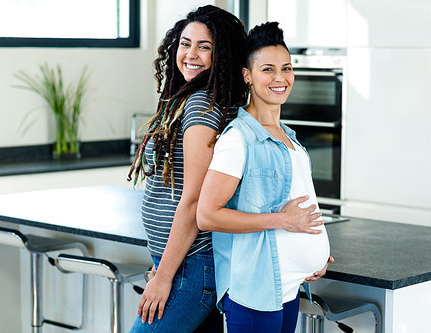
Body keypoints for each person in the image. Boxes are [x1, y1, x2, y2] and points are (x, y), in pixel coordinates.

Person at [197, 22, 334, 332]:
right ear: (248, 75)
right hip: (255, 291)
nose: (280, 78)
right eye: (268, 69)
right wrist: (282, 221)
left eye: (286, 68)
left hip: (289, 287)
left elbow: (296, 207)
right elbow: (207, 215)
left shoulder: (289, 137)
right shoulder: (239, 139)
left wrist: (316, 254)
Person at [127, 5, 248, 332]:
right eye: (185, 43)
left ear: (222, 56)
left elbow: (193, 199)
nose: (190, 54)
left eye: (204, 46)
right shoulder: (191, 99)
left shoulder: (201, 105)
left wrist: (164, 276)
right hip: (180, 263)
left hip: (189, 267)